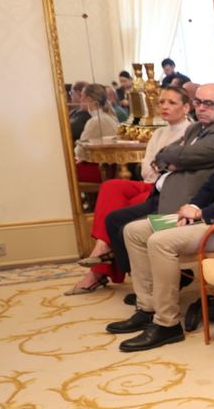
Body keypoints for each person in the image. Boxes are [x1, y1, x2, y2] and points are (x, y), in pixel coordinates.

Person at [105, 88, 214, 351]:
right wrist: (191, 206)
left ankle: (167, 324)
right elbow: (210, 187)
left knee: (160, 242)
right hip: (213, 219)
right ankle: (147, 308)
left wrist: (202, 214)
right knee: (133, 231)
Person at [68, 86, 197, 293]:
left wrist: (160, 167)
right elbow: (146, 169)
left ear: (186, 107)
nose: (165, 106)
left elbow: (172, 170)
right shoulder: (159, 132)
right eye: (162, 102)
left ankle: (100, 265)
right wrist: (160, 167)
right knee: (111, 186)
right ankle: (103, 246)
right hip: (151, 183)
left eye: (172, 103)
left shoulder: (192, 132)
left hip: (169, 189)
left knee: (124, 209)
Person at [73, 83, 119, 182]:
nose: (80, 100)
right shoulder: (110, 117)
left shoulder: (95, 121)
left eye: (82, 96)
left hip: (100, 170)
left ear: (89, 99)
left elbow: (80, 151)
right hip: (109, 168)